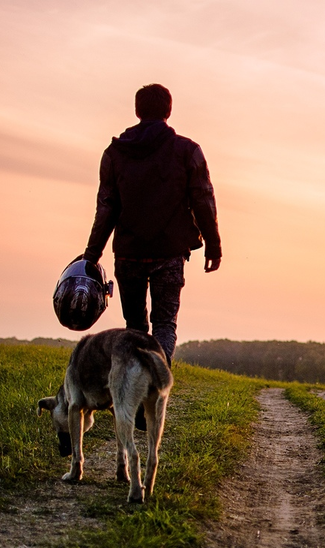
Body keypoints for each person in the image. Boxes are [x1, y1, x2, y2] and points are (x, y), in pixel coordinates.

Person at [82, 83, 221, 368]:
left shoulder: (115, 153)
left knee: (134, 327)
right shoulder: (188, 151)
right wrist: (213, 246)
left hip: (128, 254)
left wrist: (91, 255)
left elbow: (106, 207)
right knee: (164, 325)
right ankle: (154, 387)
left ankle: (135, 391)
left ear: (137, 110)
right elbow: (203, 200)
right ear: (168, 110)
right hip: (169, 254)